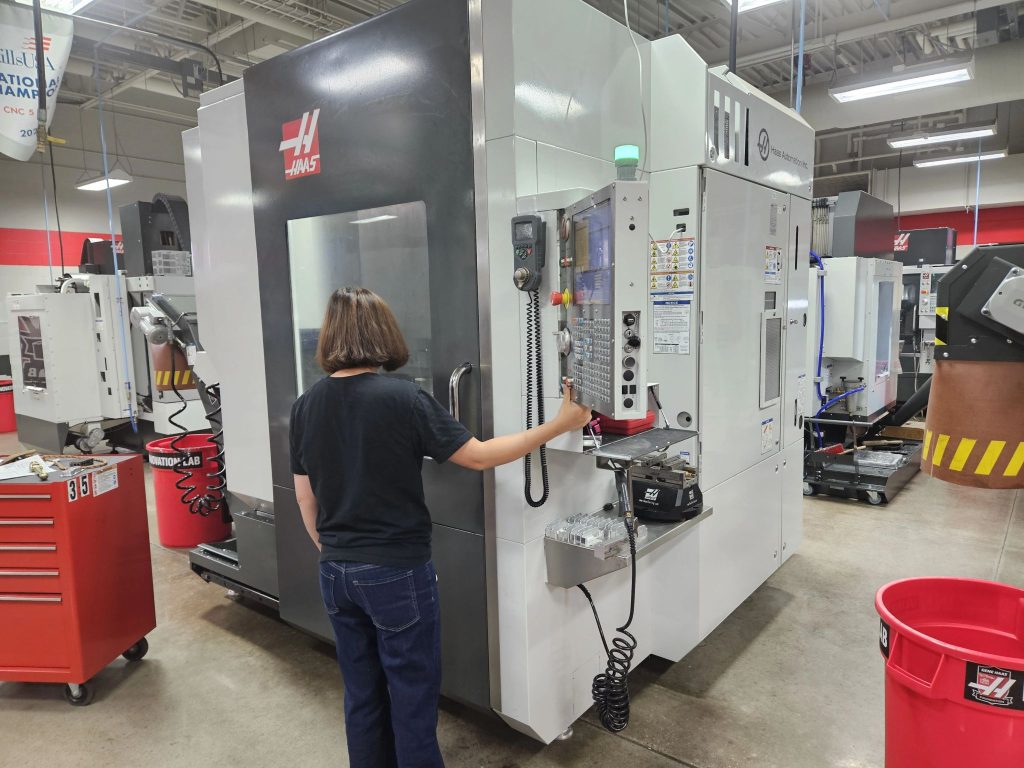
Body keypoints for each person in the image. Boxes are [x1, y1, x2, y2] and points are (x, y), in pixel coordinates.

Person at [290, 287, 593, 768]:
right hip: (395, 573)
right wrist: (559, 425)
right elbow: (476, 456)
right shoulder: (403, 398)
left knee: (362, 696)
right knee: (411, 702)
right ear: (383, 333)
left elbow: (305, 493)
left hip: (335, 574)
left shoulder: (307, 404)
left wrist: (333, 550)